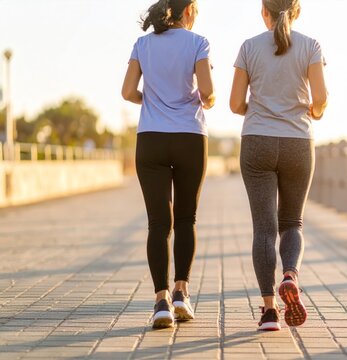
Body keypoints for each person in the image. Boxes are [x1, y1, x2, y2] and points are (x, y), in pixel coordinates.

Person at [230, 0, 328, 331]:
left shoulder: (248, 47)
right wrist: (313, 112)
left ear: (264, 12)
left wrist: (259, 110)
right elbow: (321, 97)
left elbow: (234, 103)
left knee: (264, 228)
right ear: (297, 11)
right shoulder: (311, 46)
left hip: (256, 139)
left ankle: (270, 312)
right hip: (298, 142)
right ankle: (290, 275)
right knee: (292, 222)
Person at [121, 0, 214, 329]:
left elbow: (127, 91)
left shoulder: (142, 44)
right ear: (188, 10)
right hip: (190, 137)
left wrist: (148, 98)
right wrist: (204, 98)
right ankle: (181, 293)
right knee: (186, 217)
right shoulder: (198, 42)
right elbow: (208, 92)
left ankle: (160, 301)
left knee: (158, 223)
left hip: (151, 139)